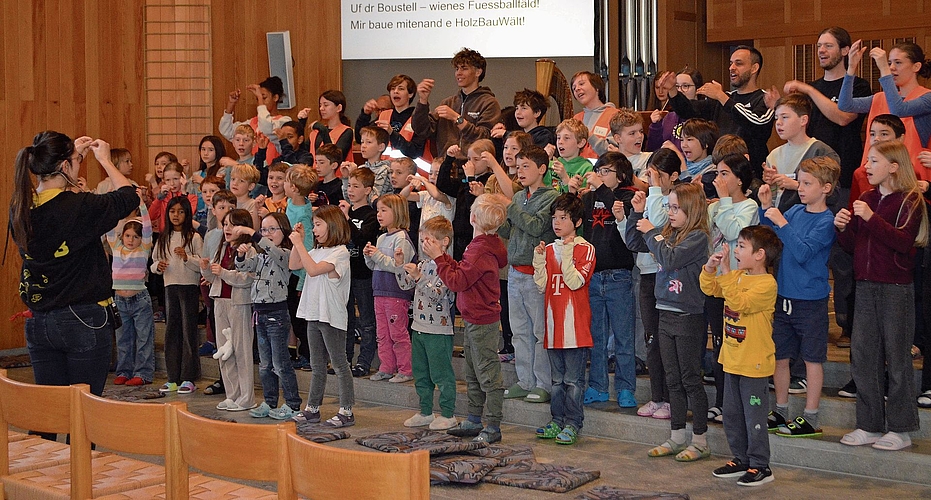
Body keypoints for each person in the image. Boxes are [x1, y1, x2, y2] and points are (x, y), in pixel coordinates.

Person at [12, 132, 138, 396]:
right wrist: (105, 160)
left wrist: (73, 156)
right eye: (75, 161)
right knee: (83, 411)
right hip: (83, 318)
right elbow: (128, 197)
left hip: (40, 320)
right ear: (65, 167)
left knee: (51, 407)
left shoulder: (21, 207)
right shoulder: (79, 206)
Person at [835, 140, 928, 451]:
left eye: (874, 161)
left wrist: (871, 218)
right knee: (864, 356)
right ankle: (870, 423)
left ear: (893, 166)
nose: (867, 167)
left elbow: (903, 242)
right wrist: (844, 227)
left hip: (896, 288)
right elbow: (853, 246)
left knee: (898, 358)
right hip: (866, 285)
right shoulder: (866, 197)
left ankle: (901, 428)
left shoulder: (910, 201)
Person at [625, 183, 711, 462]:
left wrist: (652, 233)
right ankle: (676, 436)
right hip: (665, 312)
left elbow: (669, 258)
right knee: (672, 379)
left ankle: (699, 440)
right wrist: (637, 215)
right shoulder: (669, 233)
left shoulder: (697, 237)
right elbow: (635, 243)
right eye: (669, 207)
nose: (671, 213)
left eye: (676, 208)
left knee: (690, 379)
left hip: (687, 315)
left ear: (691, 209)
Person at [758, 157, 840, 438]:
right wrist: (767, 207)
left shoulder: (826, 221)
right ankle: (781, 409)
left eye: (807, 184)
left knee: (812, 360)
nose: (801, 188)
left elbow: (804, 252)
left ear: (826, 188)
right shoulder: (794, 211)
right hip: (784, 296)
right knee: (780, 357)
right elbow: (769, 234)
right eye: (800, 182)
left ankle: (811, 416)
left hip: (810, 300)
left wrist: (781, 221)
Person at [701, 226, 782, 487]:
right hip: (732, 359)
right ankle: (740, 459)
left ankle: (760, 464)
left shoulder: (767, 284)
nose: (735, 250)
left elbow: (739, 304)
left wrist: (726, 273)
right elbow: (710, 289)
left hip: (754, 363)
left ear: (760, 254)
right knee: (733, 415)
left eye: (742, 247)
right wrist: (711, 268)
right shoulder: (735, 276)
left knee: (754, 417)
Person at [430, 194, 509, 444]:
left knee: (487, 373)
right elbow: (464, 273)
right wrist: (447, 259)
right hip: (475, 317)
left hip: (481, 319)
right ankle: (475, 418)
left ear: (473, 217)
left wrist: (439, 257)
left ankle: (493, 425)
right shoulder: (486, 245)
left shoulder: (479, 249)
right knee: (473, 371)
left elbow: (457, 281)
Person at [618, 148, 681, 419]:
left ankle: (672, 398)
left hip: (668, 275)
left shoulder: (678, 200)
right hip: (646, 275)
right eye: (650, 174)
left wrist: (654, 192)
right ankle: (657, 396)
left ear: (674, 176)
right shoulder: (649, 199)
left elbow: (656, 226)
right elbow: (636, 241)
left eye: (658, 175)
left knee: (669, 342)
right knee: (652, 339)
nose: (652, 179)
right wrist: (629, 217)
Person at [533, 194, 596, 445]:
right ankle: (556, 421)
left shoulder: (585, 248)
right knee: (557, 381)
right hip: (553, 326)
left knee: (573, 380)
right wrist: (539, 260)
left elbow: (574, 281)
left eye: (563, 218)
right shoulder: (549, 249)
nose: (557, 223)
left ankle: (573, 423)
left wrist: (567, 252)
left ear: (577, 221)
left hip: (576, 329)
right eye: (554, 218)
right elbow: (542, 285)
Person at [499, 146, 559, 403]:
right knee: (519, 331)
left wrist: (511, 208)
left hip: (537, 274)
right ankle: (525, 381)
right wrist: (494, 213)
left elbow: (537, 228)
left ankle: (543, 383)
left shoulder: (551, 197)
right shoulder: (518, 197)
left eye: (526, 166)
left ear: (542, 169)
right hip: (514, 272)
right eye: (518, 166)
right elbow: (507, 231)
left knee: (539, 331)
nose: (520, 171)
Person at [704, 154, 760, 423]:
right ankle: (720, 401)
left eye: (725, 174)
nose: (719, 179)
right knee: (718, 345)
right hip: (716, 282)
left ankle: (734, 404)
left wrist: (724, 200)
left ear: (739, 179)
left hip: (738, 284)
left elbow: (732, 232)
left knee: (735, 343)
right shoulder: (716, 206)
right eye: (718, 173)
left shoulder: (748, 206)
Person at [661, 46, 774, 177]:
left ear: (754, 68)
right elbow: (688, 111)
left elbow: (757, 124)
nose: (731, 68)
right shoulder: (723, 98)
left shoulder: (764, 99)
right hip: (719, 173)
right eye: (731, 63)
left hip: (750, 175)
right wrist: (673, 91)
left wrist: (721, 97)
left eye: (738, 63)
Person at [290, 206, 356, 427]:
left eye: (318, 225)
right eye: (314, 224)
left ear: (333, 225)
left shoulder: (341, 252)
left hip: (331, 316)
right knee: (317, 365)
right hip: (314, 313)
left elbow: (313, 270)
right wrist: (297, 241)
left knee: (339, 364)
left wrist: (300, 243)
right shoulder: (317, 251)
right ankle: (312, 408)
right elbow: (294, 264)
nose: (315, 229)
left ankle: (346, 410)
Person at [582, 152, 638, 406]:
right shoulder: (591, 197)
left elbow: (623, 216)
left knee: (624, 337)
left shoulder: (628, 196)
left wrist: (601, 187)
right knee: (596, 337)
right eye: (600, 170)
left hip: (620, 275)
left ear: (621, 175)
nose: (601, 175)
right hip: (593, 276)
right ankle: (598, 386)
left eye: (607, 171)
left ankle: (626, 388)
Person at [234, 212, 301, 420]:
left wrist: (252, 233)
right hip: (260, 314)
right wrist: (241, 255)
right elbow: (243, 267)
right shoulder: (261, 256)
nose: (267, 234)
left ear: (284, 232)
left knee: (281, 363)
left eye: (272, 229)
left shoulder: (284, 254)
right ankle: (270, 401)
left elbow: (274, 251)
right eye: (264, 229)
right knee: (265, 364)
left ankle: (292, 403)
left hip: (277, 315)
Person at [397, 216, 459, 431]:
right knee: (421, 374)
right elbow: (406, 285)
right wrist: (400, 266)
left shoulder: (449, 267)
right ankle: (425, 411)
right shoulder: (423, 264)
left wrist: (418, 277)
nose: (424, 244)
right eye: (422, 240)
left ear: (444, 242)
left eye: (430, 240)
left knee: (441, 374)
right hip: (419, 328)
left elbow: (437, 295)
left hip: (438, 330)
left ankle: (448, 413)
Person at [839, 40, 931, 178]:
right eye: (889, 63)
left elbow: (898, 111)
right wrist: (851, 68)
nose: (892, 67)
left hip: (910, 176)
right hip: (878, 174)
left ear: (916, 66)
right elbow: (845, 105)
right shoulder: (880, 98)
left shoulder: (927, 97)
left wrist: (884, 70)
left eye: (898, 63)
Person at [201, 209, 256, 412]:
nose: (227, 228)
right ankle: (232, 395)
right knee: (224, 351)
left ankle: (246, 397)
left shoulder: (249, 249)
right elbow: (214, 276)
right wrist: (205, 268)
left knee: (241, 351)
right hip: (220, 301)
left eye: (232, 225)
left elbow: (247, 278)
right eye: (225, 224)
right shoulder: (223, 247)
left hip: (239, 303)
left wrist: (223, 272)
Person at [151, 196, 203, 395]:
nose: (176, 215)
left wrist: (186, 257)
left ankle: (189, 377)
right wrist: (158, 267)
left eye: (180, 211)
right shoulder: (164, 237)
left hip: (188, 286)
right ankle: (173, 377)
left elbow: (201, 263)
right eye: (173, 211)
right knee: (172, 331)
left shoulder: (194, 237)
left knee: (188, 331)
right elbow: (154, 261)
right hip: (170, 286)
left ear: (187, 214)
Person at [412, 47, 501, 158]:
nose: (458, 73)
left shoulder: (489, 103)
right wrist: (423, 101)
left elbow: (486, 137)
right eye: (457, 69)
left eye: (464, 68)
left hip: (474, 167)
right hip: (446, 165)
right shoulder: (448, 103)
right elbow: (422, 130)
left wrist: (457, 118)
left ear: (478, 72)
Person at [364, 194, 416, 383]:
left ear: (398, 212)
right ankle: (386, 367)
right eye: (378, 210)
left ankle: (405, 369)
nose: (379, 214)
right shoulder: (381, 237)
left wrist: (377, 256)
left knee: (397, 333)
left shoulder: (401, 238)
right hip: (379, 292)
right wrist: (369, 256)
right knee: (382, 333)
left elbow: (398, 266)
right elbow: (375, 266)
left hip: (396, 293)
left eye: (384, 210)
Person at [107, 202, 155, 387]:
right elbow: (110, 228)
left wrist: (142, 205)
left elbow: (148, 228)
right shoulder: (116, 247)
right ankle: (124, 371)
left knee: (143, 338)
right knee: (123, 339)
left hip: (139, 300)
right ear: (122, 236)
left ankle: (143, 373)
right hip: (120, 300)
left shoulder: (143, 250)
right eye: (127, 236)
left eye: (135, 237)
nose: (131, 240)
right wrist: (116, 206)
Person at [220, 76, 292, 163]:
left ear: (275, 98)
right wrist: (231, 104)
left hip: (272, 172)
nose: (259, 102)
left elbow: (266, 128)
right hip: (251, 170)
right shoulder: (252, 122)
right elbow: (227, 131)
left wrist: (260, 102)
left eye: (263, 98)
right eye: (258, 99)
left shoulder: (284, 122)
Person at [356, 74, 428, 160]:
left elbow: (415, 151)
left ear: (410, 94)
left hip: (411, 171)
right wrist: (365, 115)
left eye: (400, 89)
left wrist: (392, 133)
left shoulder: (418, 118)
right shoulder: (384, 115)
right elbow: (359, 138)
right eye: (393, 89)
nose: (395, 91)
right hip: (384, 169)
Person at [647, 67, 704, 152]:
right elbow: (654, 150)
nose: (680, 90)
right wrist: (656, 126)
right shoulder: (668, 117)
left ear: (697, 89)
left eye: (685, 86)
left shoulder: (703, 115)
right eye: (676, 86)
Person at [571, 71, 619, 158]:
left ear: (596, 88)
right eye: (574, 88)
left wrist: (590, 136)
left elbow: (613, 151)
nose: (577, 89)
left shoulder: (615, 115)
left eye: (581, 84)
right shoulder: (576, 119)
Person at [299, 90, 354, 161]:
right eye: (320, 105)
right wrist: (301, 123)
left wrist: (322, 129)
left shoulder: (346, 131)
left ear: (339, 108)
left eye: (326, 105)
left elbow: (334, 157)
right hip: (314, 171)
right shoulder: (316, 132)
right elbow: (302, 152)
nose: (321, 108)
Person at [341, 125, 392, 200]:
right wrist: (346, 178)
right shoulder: (361, 168)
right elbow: (350, 199)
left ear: (381, 147)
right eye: (362, 142)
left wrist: (356, 177)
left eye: (369, 142)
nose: (363, 146)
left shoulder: (385, 170)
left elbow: (372, 199)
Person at [546, 119, 593, 192]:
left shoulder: (586, 168)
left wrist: (565, 178)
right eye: (558, 138)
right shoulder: (552, 163)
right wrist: (545, 162)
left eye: (566, 138)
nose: (560, 142)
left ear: (581, 143)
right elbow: (542, 189)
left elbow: (580, 198)